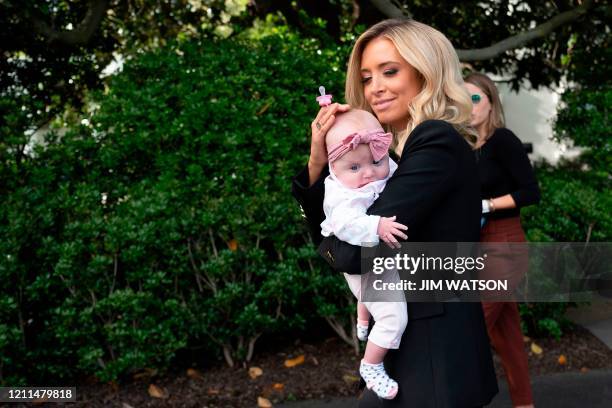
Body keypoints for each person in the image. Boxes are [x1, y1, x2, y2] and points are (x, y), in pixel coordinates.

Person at [292, 18, 498, 407]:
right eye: (367, 78)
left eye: (390, 71)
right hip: (421, 350)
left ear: (426, 71)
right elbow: (341, 235)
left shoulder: (433, 140)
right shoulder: (393, 157)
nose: (375, 88)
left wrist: (334, 236)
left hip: (433, 354)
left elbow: (354, 254)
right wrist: (317, 162)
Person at [465, 72, 541, 408]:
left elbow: (530, 192)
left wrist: (488, 204)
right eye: (461, 98)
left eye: (476, 98)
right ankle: (524, 403)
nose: (468, 106)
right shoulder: (463, 147)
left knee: (469, 327)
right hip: (475, 244)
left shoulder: (504, 140)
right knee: (507, 335)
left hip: (504, 242)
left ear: (491, 101)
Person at [321, 109, 409, 399]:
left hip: (376, 261)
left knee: (369, 292)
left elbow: (398, 177)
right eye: (355, 169)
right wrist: (378, 225)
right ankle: (371, 365)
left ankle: (362, 319)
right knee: (394, 318)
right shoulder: (341, 195)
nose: (369, 173)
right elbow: (347, 225)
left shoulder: (383, 167)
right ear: (334, 168)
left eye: (376, 161)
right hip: (361, 258)